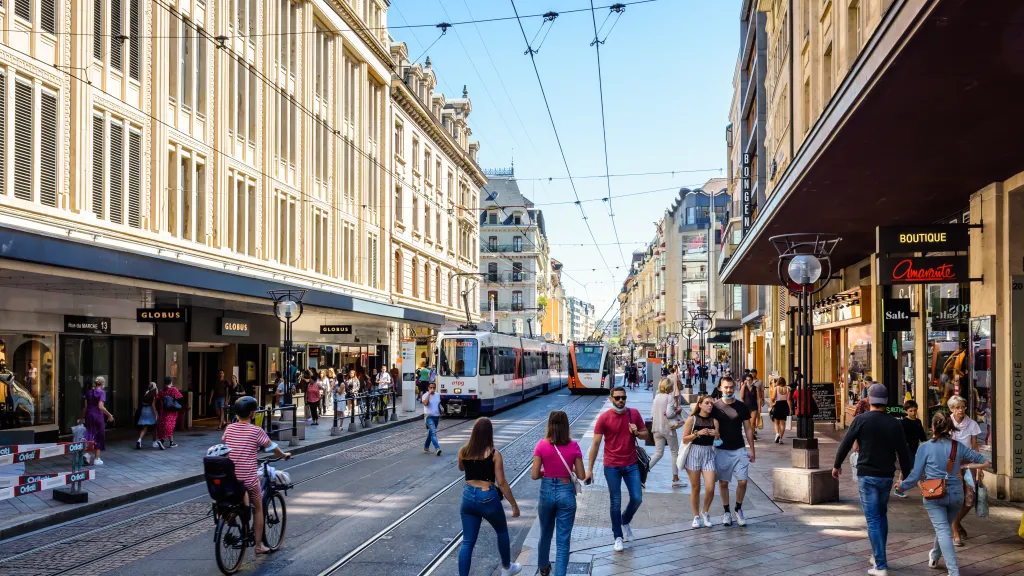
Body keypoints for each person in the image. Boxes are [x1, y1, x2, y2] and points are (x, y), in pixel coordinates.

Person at [832, 383, 912, 576]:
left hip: (867, 475)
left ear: (869, 399)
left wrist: (837, 465)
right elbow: (904, 452)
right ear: (885, 402)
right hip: (886, 475)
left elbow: (845, 443)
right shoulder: (895, 423)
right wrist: (906, 478)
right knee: (881, 515)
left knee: (873, 519)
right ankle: (878, 556)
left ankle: (881, 565)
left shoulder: (860, 420)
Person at [896, 412, 990, 575]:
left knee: (943, 530)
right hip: (956, 494)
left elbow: (915, 475)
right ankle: (934, 555)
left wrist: (901, 487)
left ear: (933, 427)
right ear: (950, 428)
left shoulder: (924, 447)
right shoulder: (958, 446)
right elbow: (985, 461)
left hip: (934, 494)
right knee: (944, 527)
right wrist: (964, 467)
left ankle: (953, 571)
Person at [221, 396, 292, 556]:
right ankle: (259, 546)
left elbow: (227, 445)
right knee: (258, 508)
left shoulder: (229, 428)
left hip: (231, 479)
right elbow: (271, 447)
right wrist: (283, 454)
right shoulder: (256, 430)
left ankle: (232, 516)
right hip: (247, 479)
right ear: (253, 414)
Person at [585, 386, 648, 552]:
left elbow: (646, 434)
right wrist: (590, 469)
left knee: (637, 498)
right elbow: (596, 445)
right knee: (616, 501)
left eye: (623, 398)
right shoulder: (604, 418)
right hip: (611, 465)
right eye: (618, 398)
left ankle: (625, 520)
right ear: (611, 398)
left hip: (631, 464)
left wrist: (637, 433)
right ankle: (618, 536)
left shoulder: (633, 414)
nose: (621, 401)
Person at [458, 417, 522, 576]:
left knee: (467, 542)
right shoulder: (494, 454)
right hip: (487, 498)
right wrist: (513, 504)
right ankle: (507, 568)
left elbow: (461, 468)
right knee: (501, 531)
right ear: (489, 434)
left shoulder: (463, 451)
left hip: (468, 497)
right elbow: (502, 482)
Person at [531, 411, 584, 576]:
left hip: (546, 490)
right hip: (566, 491)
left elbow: (534, 475)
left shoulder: (541, 445)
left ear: (549, 425)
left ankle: (544, 567)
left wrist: (546, 471)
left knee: (545, 533)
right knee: (563, 541)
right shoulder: (574, 446)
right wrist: (569, 469)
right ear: (566, 426)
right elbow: (581, 475)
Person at [711, 376, 755, 526]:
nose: (729, 390)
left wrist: (752, 449)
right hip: (721, 450)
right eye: (726, 387)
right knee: (723, 483)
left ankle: (738, 509)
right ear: (720, 388)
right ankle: (726, 512)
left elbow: (748, 428)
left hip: (739, 449)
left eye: (731, 387)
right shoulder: (715, 407)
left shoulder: (742, 406)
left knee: (742, 481)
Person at [947, 395, 983, 545]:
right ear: (951, 409)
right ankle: (956, 533)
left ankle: (955, 522)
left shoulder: (972, 424)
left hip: (969, 464)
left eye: (963, 407)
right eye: (957, 407)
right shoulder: (947, 422)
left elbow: (975, 446)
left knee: (970, 499)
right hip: (952, 463)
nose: (961, 410)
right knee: (955, 499)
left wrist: (980, 466)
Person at [682, 395, 719, 527]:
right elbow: (685, 439)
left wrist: (715, 435)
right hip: (694, 453)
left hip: (708, 453)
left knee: (710, 487)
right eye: (707, 403)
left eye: (712, 404)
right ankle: (696, 515)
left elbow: (718, 441)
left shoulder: (714, 421)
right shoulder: (692, 419)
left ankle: (705, 512)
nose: (710, 405)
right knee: (695, 487)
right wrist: (698, 433)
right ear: (700, 405)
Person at [649, 378, 685, 487]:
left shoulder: (657, 397)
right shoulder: (669, 397)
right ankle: (675, 479)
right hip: (668, 429)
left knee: (658, 453)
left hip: (656, 428)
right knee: (675, 452)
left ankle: (643, 473)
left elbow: (652, 413)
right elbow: (669, 414)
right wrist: (677, 411)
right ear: (669, 387)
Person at [895, 399, 928, 498]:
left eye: (915, 410)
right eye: (911, 411)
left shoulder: (918, 422)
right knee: (914, 470)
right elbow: (901, 437)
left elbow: (922, 436)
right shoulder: (903, 422)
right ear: (906, 411)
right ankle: (923, 489)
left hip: (915, 449)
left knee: (906, 469)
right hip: (906, 448)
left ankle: (899, 488)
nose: (913, 413)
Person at [80, 377, 114, 464]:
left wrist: (82, 418)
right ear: (102, 384)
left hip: (89, 415)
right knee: (99, 435)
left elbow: (85, 407)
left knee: (90, 433)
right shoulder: (102, 393)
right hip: (98, 416)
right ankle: (96, 459)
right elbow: (100, 407)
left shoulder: (89, 392)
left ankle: (87, 454)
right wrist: (109, 415)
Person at [157, 376, 184, 449]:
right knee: (169, 426)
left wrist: (163, 404)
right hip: (172, 411)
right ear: (171, 382)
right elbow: (180, 398)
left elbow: (159, 398)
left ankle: (171, 442)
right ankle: (161, 440)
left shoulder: (161, 391)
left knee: (164, 426)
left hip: (163, 411)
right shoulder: (174, 390)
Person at [769, 376, 791, 444]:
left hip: (778, 405)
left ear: (778, 382)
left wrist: (772, 402)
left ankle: (777, 434)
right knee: (782, 423)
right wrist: (790, 409)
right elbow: (789, 400)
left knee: (776, 422)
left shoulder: (776, 388)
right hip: (785, 406)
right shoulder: (788, 389)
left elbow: (773, 398)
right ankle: (781, 438)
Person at [136, 382, 159, 449]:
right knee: (154, 427)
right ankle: (154, 442)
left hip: (144, 410)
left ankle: (139, 440)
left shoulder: (146, 392)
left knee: (144, 427)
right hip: (150, 411)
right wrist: (156, 414)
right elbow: (153, 405)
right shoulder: (153, 394)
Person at [422, 381, 442, 455]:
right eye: (431, 387)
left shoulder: (437, 395)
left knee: (431, 433)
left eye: (433, 388)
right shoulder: (425, 395)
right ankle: (437, 448)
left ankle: (426, 447)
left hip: (436, 416)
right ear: (428, 388)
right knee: (433, 432)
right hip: (428, 417)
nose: (432, 389)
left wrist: (442, 408)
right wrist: (429, 395)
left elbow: (438, 404)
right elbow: (425, 403)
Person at [741, 374, 760, 441]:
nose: (749, 381)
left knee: (753, 422)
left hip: (754, 406)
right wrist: (743, 406)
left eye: (750, 380)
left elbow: (758, 399)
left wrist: (759, 409)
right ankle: (749, 433)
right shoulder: (744, 387)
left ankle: (752, 435)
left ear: (752, 380)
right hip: (746, 407)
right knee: (747, 423)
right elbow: (741, 398)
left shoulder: (756, 388)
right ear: (746, 380)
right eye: (747, 380)